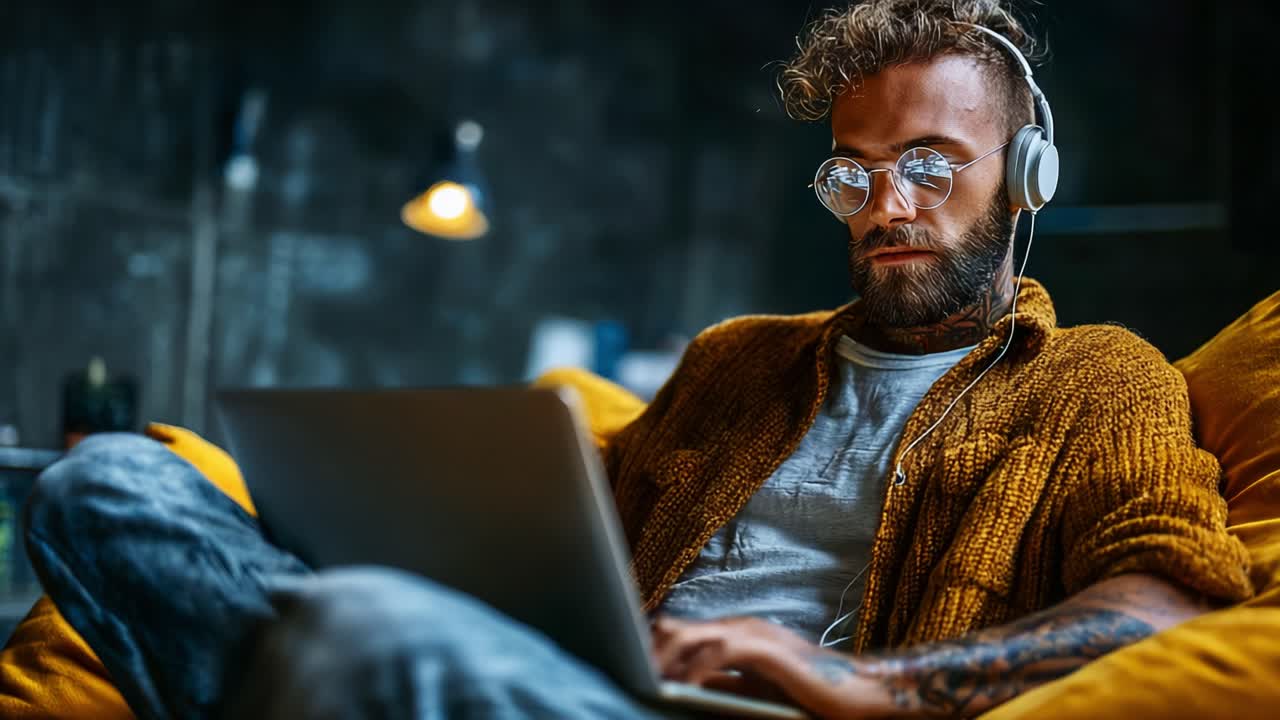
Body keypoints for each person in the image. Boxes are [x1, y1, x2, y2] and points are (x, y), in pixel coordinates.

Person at [21, 1, 1252, 719]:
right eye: (853, 170)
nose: (887, 201)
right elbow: (571, 560)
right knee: (102, 487)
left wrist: (872, 688)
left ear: (1026, 178)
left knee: (369, 639)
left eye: (932, 161)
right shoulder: (731, 361)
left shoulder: (1097, 375)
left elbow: (1162, 610)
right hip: (572, 684)